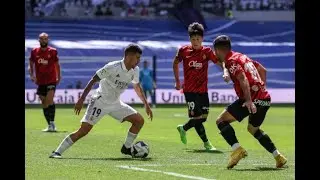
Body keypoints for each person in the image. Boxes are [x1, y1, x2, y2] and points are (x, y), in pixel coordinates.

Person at [49, 44, 153, 158]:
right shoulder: (112, 67)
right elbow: (93, 79)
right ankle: (57, 152)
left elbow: (137, 87)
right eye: (137, 57)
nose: (139, 61)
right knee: (83, 131)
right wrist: (81, 99)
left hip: (116, 103)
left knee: (139, 121)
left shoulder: (135, 70)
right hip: (99, 102)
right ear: (129, 56)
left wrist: (146, 104)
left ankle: (126, 148)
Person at [212, 35, 287, 169]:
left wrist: (249, 100)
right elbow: (263, 70)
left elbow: (242, 79)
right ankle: (278, 156)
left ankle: (237, 150)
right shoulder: (242, 57)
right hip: (264, 98)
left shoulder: (231, 61)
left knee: (221, 121)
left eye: (214, 51)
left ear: (218, 50)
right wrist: (261, 89)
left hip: (251, 99)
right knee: (253, 129)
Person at [173, 22, 230, 151]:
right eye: (193, 39)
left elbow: (220, 62)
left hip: (203, 90)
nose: (195, 41)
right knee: (197, 117)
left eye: (198, 39)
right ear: (190, 39)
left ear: (202, 39)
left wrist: (226, 71)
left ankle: (183, 128)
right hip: (189, 90)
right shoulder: (183, 51)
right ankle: (207, 143)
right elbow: (175, 63)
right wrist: (177, 81)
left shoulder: (207, 51)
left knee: (203, 118)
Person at [28, 32, 61, 132]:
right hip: (40, 81)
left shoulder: (53, 51)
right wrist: (32, 75)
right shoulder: (34, 51)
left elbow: (57, 65)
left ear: (48, 40)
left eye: (45, 39)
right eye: (42, 39)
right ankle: (49, 125)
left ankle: (52, 123)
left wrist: (58, 76)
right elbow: (31, 63)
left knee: (49, 100)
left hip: (51, 79)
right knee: (44, 102)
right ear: (39, 40)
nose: (43, 40)